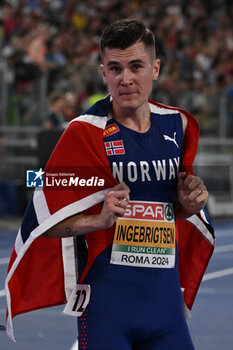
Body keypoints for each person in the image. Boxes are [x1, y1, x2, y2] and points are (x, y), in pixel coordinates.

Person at [5, 19, 214, 348]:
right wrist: (98, 220)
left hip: (165, 306)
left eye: (136, 66)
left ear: (155, 68)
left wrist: (190, 205)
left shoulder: (178, 124)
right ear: (104, 73)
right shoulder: (84, 132)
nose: (126, 79)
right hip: (107, 308)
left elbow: (177, 206)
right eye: (115, 68)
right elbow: (44, 221)